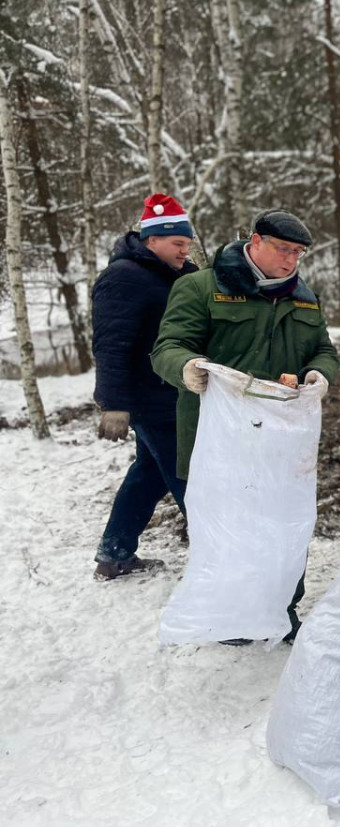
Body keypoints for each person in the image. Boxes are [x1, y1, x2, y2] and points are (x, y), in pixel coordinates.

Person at [151, 209, 340, 641]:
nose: (292, 261)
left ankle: (283, 611)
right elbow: (168, 347)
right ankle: (233, 618)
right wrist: (187, 368)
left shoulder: (304, 297)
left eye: (299, 253)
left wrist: (319, 373)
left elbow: (323, 349)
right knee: (230, 529)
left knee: (283, 523)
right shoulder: (201, 288)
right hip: (218, 437)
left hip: (281, 437)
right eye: (283, 249)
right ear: (255, 242)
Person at [92, 194, 199, 581]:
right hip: (151, 399)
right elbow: (111, 343)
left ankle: (114, 553)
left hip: (174, 392)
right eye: (177, 244)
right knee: (189, 476)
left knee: (149, 473)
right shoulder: (124, 276)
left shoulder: (176, 275)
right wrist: (113, 404)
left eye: (187, 244)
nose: (185, 251)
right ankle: (218, 559)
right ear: (152, 239)